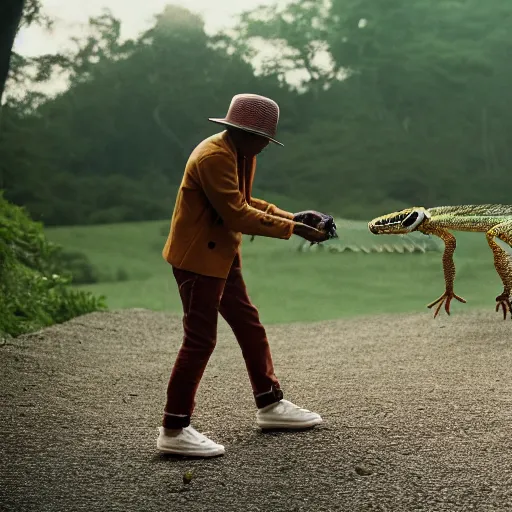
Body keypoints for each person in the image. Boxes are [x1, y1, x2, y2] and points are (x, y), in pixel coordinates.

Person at [157, 93, 334, 457]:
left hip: (222, 253)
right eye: (264, 140)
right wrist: (294, 230)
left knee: (249, 324)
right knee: (200, 340)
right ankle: (174, 428)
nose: (266, 146)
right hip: (197, 260)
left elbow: (245, 201)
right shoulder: (213, 157)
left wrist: (295, 217)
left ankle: (270, 405)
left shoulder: (239, 152)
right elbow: (237, 214)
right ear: (244, 132)